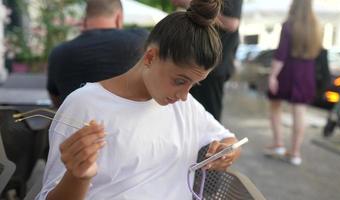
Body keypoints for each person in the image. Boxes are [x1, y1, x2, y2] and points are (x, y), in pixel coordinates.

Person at [36, 0, 241, 199]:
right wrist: (77, 177)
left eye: (194, 84)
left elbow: (229, 139)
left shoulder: (185, 107)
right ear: (150, 57)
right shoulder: (85, 105)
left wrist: (227, 151)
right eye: (180, 80)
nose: (184, 95)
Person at [47, 0, 148, 107]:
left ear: (85, 20)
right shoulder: (142, 40)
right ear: (119, 18)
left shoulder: (58, 53)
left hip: (77, 122)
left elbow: (57, 103)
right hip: (131, 122)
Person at [265, 0, 322, 166]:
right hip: (307, 72)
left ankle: (278, 144)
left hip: (288, 71)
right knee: (300, 111)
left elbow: (281, 54)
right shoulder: (317, 27)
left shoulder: (289, 25)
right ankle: (295, 153)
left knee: (275, 105)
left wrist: (272, 76)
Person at [171, 0, 243, 121]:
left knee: (208, 119)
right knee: (185, 116)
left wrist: (192, 3)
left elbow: (232, 23)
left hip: (212, 66)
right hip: (190, 59)